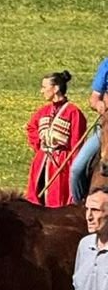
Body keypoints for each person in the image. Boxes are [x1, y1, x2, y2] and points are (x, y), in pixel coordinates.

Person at [25, 70, 86, 208]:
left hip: (61, 164)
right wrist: (40, 146)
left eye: (44, 87)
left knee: (57, 201)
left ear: (56, 88)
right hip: (42, 161)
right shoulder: (43, 111)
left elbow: (76, 144)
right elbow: (31, 128)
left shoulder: (73, 112)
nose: (42, 91)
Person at [71, 54, 108, 203]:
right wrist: (99, 105)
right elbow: (94, 98)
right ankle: (79, 205)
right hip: (106, 127)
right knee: (77, 169)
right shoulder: (106, 65)